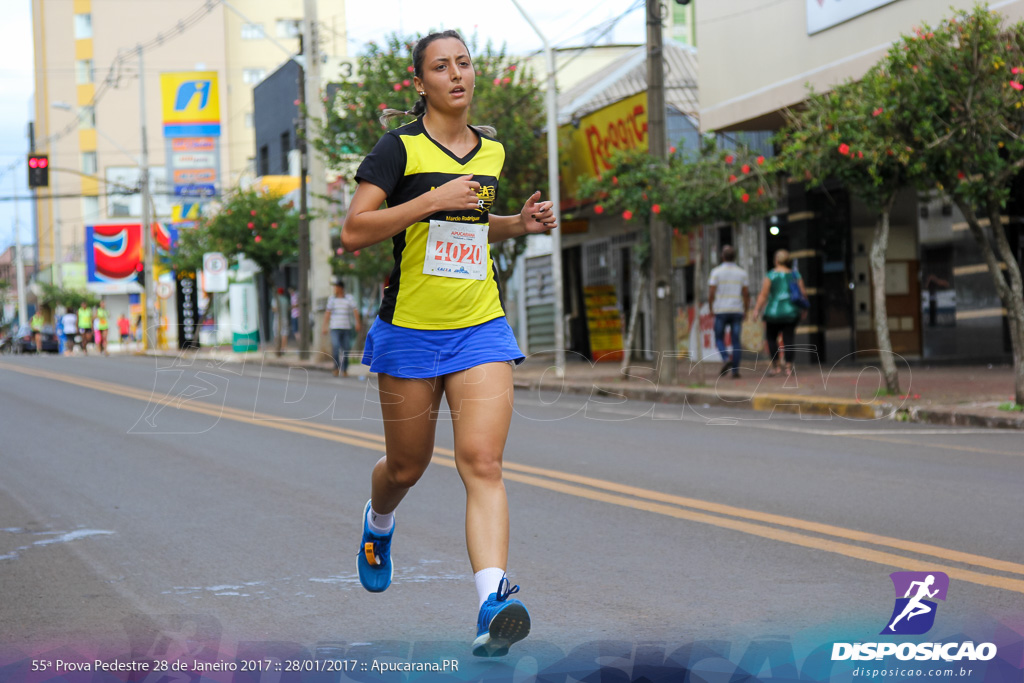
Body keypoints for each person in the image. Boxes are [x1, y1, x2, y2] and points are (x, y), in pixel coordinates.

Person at [341, 30, 556, 658]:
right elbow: (355, 230)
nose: (457, 74)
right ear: (421, 82)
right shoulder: (397, 149)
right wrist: (433, 197)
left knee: (482, 464)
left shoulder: (492, 150)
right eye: (442, 66)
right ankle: (378, 524)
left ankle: (493, 601)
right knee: (406, 466)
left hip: (479, 325)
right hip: (408, 329)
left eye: (464, 63)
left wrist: (516, 223)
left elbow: (468, 226)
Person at [753, 249, 807, 377]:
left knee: (771, 339)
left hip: (773, 312)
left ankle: (776, 366)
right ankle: (788, 367)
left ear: (776, 260)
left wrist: (757, 309)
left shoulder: (771, 275)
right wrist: (805, 308)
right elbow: (802, 293)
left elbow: (764, 295)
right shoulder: (795, 275)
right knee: (789, 339)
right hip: (791, 311)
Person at [707, 245, 749, 378]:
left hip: (721, 310)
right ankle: (735, 371)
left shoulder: (716, 272)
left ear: (722, 256)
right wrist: (746, 309)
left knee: (719, 337)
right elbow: (746, 294)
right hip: (737, 309)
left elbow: (711, 293)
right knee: (736, 340)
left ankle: (725, 358)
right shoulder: (742, 272)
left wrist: (711, 307)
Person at [321, 280, 361, 377]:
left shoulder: (349, 298)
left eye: (337, 287)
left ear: (341, 288)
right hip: (335, 327)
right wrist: (324, 326)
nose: (335, 289)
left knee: (346, 348)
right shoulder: (332, 299)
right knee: (335, 347)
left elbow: (355, 310)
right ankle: (336, 367)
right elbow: (328, 313)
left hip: (346, 327)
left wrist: (357, 323)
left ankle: (345, 369)